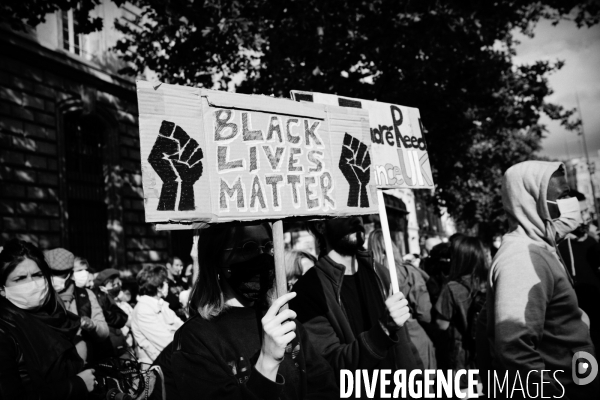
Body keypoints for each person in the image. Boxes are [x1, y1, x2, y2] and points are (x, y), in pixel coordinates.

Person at [162, 221, 338, 399]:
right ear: (216, 257)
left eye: (268, 246)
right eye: (247, 247)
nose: (261, 257)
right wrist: (267, 361)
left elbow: (324, 387)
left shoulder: (284, 322)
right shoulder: (194, 338)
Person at [487, 161, 599, 398]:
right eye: (563, 195)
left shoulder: (539, 246)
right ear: (532, 200)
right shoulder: (521, 258)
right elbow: (515, 351)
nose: (571, 203)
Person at [291, 217, 423, 399]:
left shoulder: (381, 273)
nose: (355, 219)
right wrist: (383, 330)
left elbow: (405, 344)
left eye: (357, 210)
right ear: (320, 225)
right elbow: (331, 366)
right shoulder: (309, 291)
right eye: (344, 212)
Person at [0, 239, 96, 398]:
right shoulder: (4, 329)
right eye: (20, 278)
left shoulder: (56, 314)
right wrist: (77, 384)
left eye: (37, 275)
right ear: (2, 289)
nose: (32, 284)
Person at [369, 229, 437, 369]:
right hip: (415, 339)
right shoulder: (408, 273)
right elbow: (425, 313)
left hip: (383, 342)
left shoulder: (369, 277)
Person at [434, 235, 488, 387]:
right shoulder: (491, 281)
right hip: (490, 356)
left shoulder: (452, 287)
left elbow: (441, 324)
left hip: (464, 359)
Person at [44, 248, 109, 363]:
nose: (55, 277)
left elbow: (104, 332)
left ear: (70, 273)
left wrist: (93, 326)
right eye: (51, 273)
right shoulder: (41, 296)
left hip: (85, 366)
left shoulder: (86, 295)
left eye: (60, 273)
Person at [558, 190, 600, 350]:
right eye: (581, 212)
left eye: (586, 210)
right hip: (579, 335)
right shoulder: (558, 249)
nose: (587, 216)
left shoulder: (593, 243)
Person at [132, 265, 183, 364]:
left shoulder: (162, 304)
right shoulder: (143, 310)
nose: (168, 285)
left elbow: (183, 328)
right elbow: (166, 342)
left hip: (172, 361)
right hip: (158, 368)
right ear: (159, 287)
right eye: (166, 282)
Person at [92, 268, 131, 358]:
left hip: (120, 346)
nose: (116, 287)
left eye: (118, 284)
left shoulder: (116, 301)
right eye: (113, 284)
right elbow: (120, 318)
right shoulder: (102, 299)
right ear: (102, 287)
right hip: (110, 350)